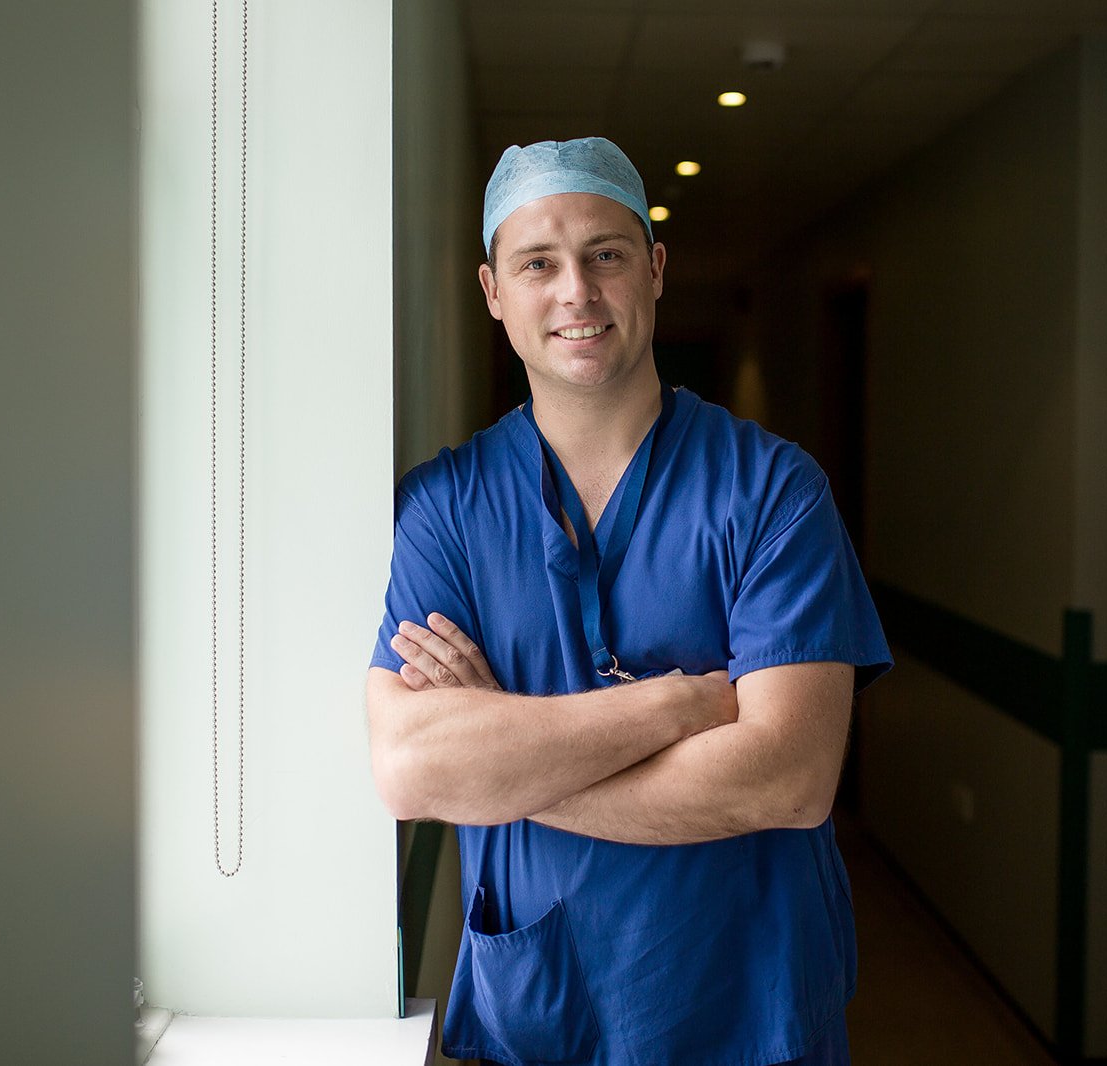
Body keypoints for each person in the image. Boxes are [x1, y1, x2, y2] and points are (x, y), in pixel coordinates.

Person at [366, 137, 891, 1066]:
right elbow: (414, 770)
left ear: (652, 269)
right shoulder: (444, 508)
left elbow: (790, 779)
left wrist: (501, 758)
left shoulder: (772, 491)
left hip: (750, 1014)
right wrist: (680, 704)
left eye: (606, 254)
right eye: (539, 263)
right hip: (542, 1015)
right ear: (494, 292)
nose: (576, 290)